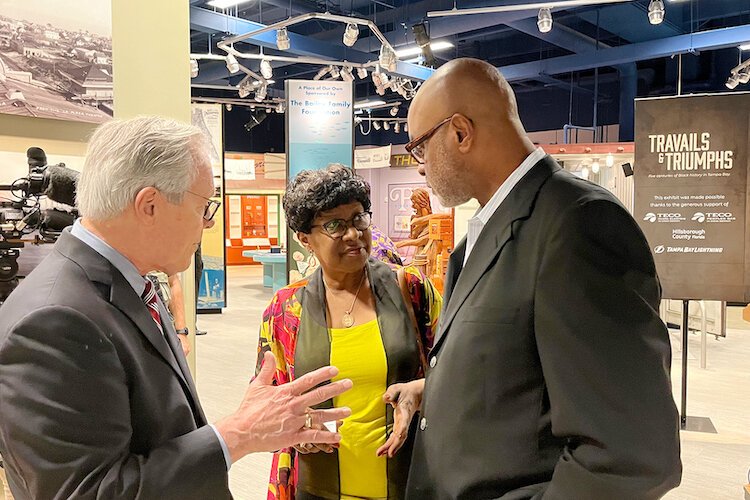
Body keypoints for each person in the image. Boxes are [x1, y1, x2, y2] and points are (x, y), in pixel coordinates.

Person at [0, 116, 352, 500]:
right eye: (205, 206)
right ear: (149, 205)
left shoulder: (124, 284)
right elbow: (84, 492)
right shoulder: (56, 319)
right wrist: (237, 435)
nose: (208, 223)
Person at [404, 58, 682, 499]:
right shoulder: (488, 230)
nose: (419, 165)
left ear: (460, 132)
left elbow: (629, 457)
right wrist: (439, 388)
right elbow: (522, 366)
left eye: (419, 146)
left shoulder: (577, 225)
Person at [257, 164, 442, 499]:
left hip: (408, 484)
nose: (354, 234)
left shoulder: (410, 289)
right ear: (304, 239)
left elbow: (461, 371)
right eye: (335, 225)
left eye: (359, 218)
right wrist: (298, 427)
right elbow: (268, 403)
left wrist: (422, 391)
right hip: (316, 488)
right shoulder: (286, 310)